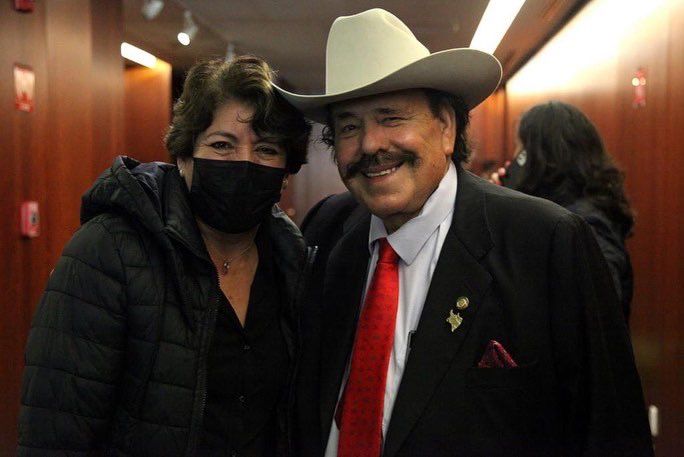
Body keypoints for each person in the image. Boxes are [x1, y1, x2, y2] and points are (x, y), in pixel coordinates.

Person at [273, 8, 653, 457]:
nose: (370, 145)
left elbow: (610, 430)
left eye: (391, 118)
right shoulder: (328, 228)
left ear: (446, 128)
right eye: (349, 127)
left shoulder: (546, 243)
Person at [19, 55, 312, 456]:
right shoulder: (108, 250)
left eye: (265, 149)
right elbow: (55, 432)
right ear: (184, 156)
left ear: (286, 172)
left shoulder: (291, 262)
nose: (244, 163)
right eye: (222, 145)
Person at [491, 101, 635, 320]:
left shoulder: (584, 222)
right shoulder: (557, 214)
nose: (513, 162)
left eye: (519, 149)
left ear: (535, 157)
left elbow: (597, 310)